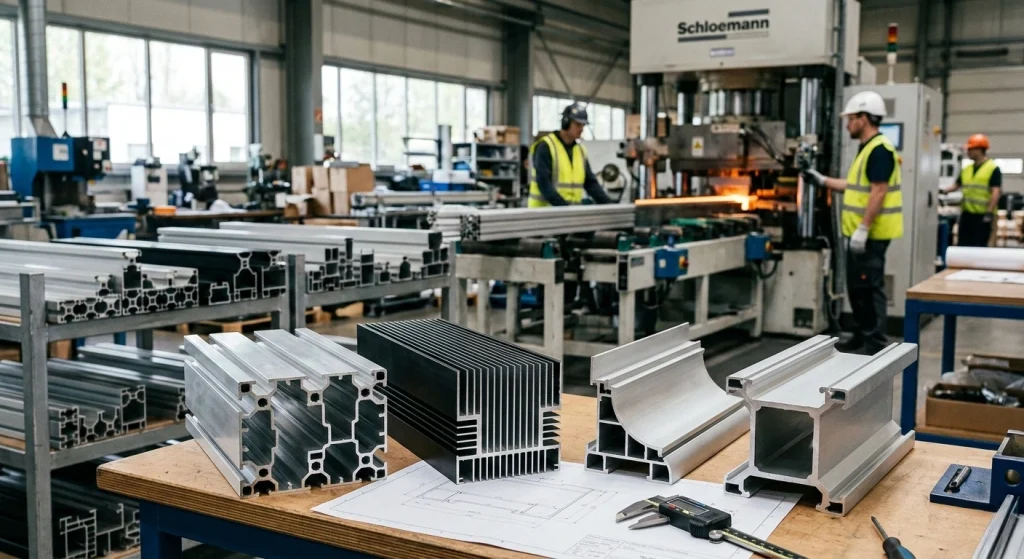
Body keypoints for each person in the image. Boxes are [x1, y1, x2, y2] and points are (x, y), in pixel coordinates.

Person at [803, 91, 903, 355]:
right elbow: (855, 186)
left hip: (870, 235)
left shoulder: (880, 150)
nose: (847, 124)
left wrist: (863, 229)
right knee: (858, 289)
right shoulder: (867, 148)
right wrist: (822, 180)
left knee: (869, 288)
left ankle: (875, 344)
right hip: (860, 233)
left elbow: (878, 192)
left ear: (864, 118)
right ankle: (862, 335)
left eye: (851, 119)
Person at [528, 102, 614, 207]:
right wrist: (564, 208)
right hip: (543, 215)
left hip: (567, 215)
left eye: (583, 125)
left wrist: (610, 205)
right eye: (578, 124)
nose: (582, 128)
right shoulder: (546, 146)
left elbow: (591, 184)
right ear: (566, 122)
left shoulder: (580, 151)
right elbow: (544, 184)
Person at [946, 134, 1001, 247]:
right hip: (967, 215)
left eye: (971, 149)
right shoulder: (967, 169)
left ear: (980, 149)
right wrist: (942, 191)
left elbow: (996, 191)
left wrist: (989, 212)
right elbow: (956, 185)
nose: (968, 151)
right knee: (964, 244)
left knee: (979, 246)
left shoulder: (992, 168)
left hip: (982, 216)